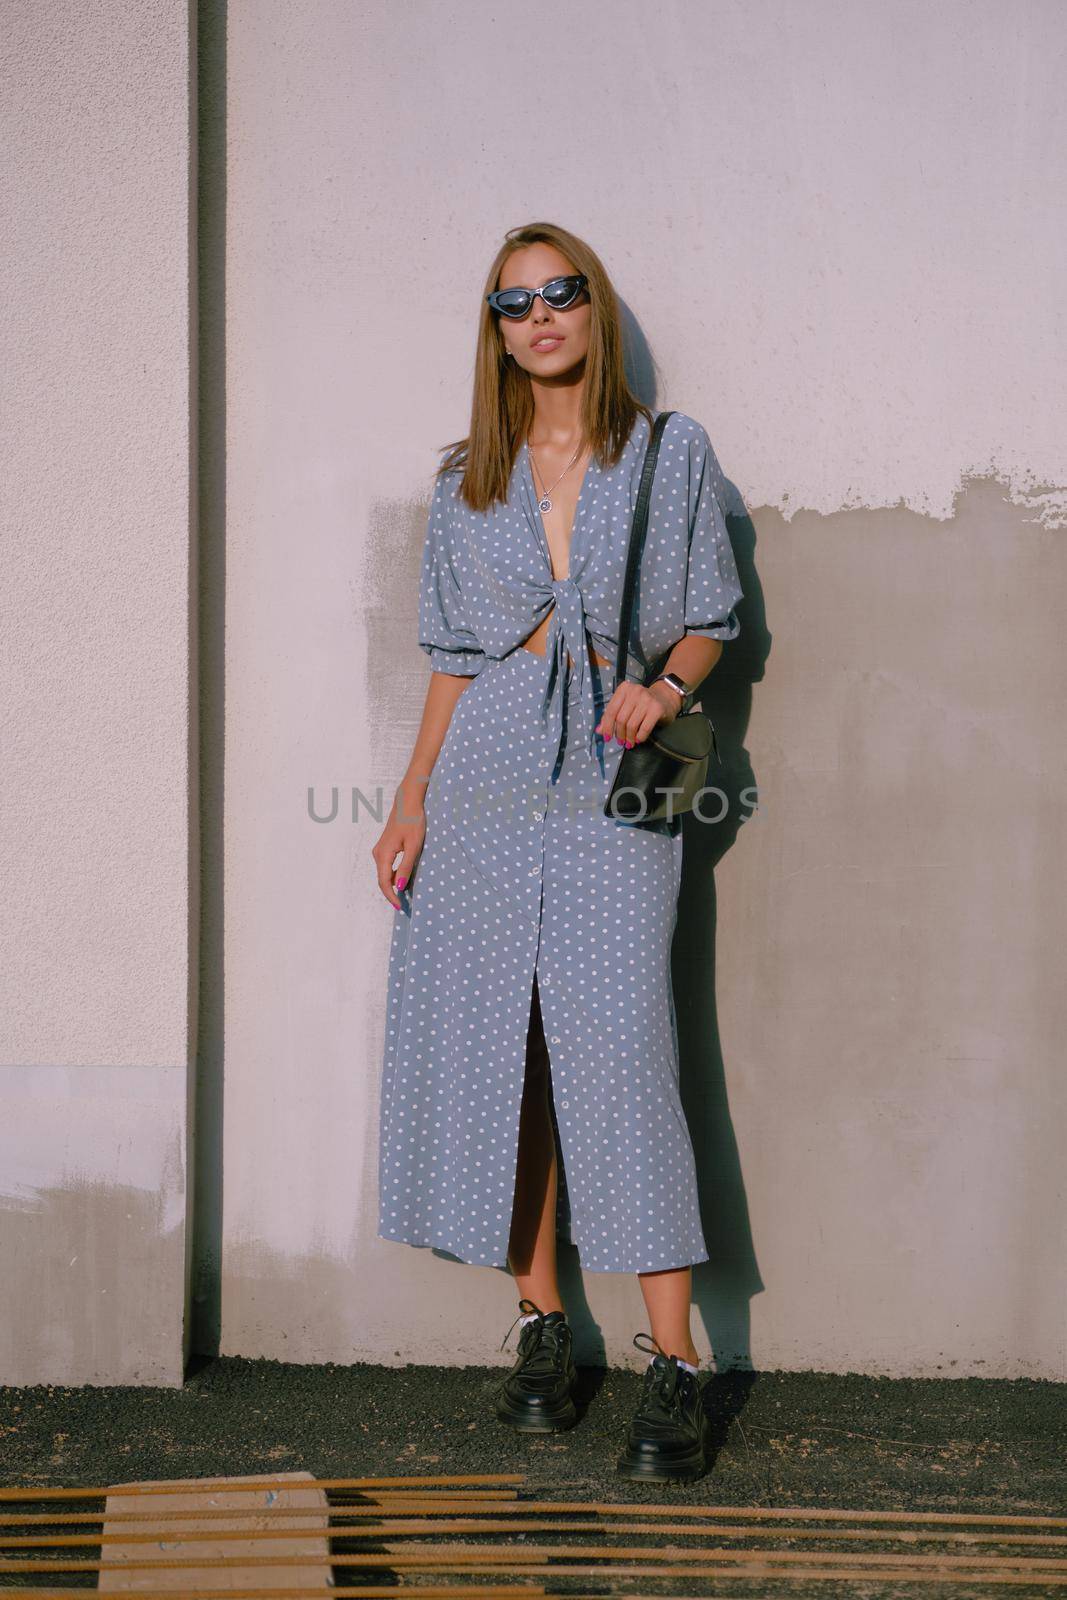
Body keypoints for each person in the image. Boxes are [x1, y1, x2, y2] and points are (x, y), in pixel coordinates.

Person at [371, 221, 743, 1482]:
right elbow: (448, 655)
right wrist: (411, 793)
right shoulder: (462, 478)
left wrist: (662, 685)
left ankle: (674, 1362)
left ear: (592, 307)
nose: (538, 316)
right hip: (479, 774)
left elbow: (707, 616)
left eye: (559, 292)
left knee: (621, 1056)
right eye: (511, 301)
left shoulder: (664, 452)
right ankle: (540, 1328)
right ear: (494, 329)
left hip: (606, 778)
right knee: (506, 1049)